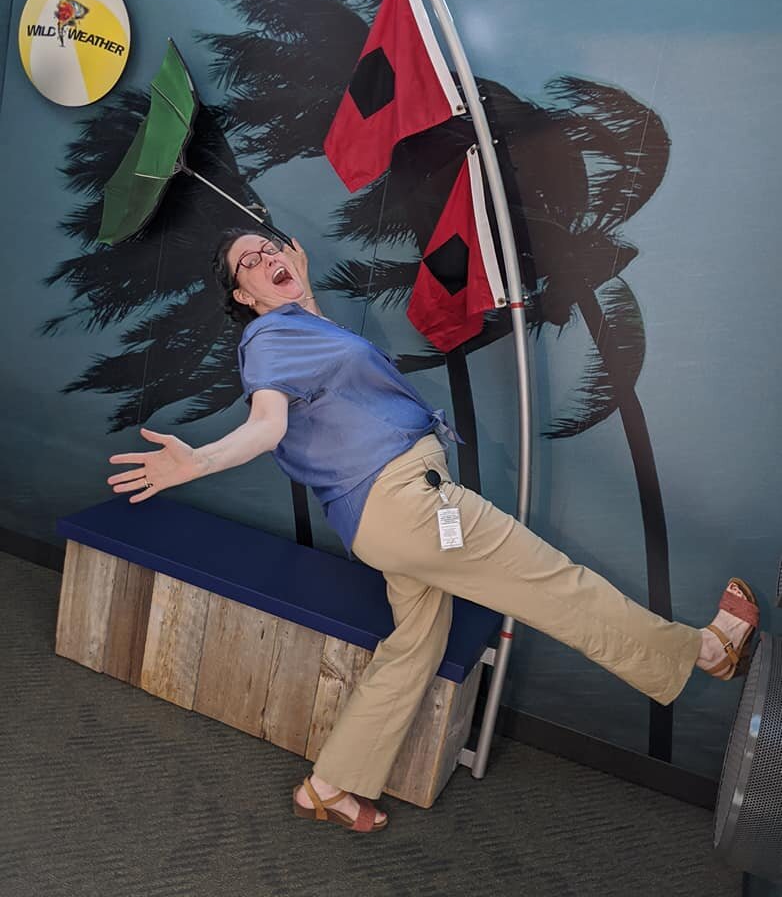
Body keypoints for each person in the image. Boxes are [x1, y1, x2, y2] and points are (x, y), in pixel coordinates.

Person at [107, 229, 760, 834]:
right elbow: (267, 425)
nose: (266, 258)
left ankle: (328, 786)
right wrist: (199, 462)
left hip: (383, 520)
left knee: (414, 648)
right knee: (557, 586)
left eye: (271, 246)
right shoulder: (269, 338)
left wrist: (302, 286)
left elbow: (318, 378)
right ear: (244, 296)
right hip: (407, 506)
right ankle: (706, 652)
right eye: (248, 263)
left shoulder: (303, 327)